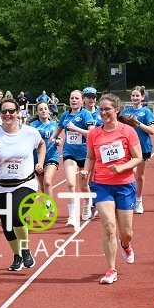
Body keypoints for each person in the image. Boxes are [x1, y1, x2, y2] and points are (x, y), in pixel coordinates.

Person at [81, 93, 142, 285]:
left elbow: (138, 157)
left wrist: (122, 167)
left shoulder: (127, 131)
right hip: (101, 184)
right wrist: (85, 171)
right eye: (101, 109)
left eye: (107, 109)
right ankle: (111, 269)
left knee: (127, 232)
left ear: (117, 110)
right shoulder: (93, 134)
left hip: (124, 185)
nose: (104, 112)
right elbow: (91, 157)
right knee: (108, 227)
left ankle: (125, 244)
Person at [0, 97, 45, 271]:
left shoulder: (30, 132)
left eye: (11, 111)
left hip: (25, 183)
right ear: (0, 114)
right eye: (4, 111)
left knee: (17, 216)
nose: (8, 114)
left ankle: (25, 249)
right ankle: (17, 256)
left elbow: (41, 145)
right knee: (7, 224)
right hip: (0, 185)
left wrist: (41, 161)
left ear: (18, 113)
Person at [55, 90, 95, 226]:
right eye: (71, 98)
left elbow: (92, 133)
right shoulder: (65, 115)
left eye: (76, 98)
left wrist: (75, 128)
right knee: (71, 184)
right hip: (69, 153)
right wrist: (53, 137)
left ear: (82, 100)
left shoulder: (86, 114)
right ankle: (72, 216)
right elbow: (59, 127)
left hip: (85, 155)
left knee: (84, 186)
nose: (73, 100)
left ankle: (87, 202)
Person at [120, 86, 154, 214]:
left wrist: (137, 123)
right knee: (126, 173)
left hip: (143, 147)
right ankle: (126, 199)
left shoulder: (146, 112)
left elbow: (152, 131)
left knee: (139, 175)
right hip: (126, 147)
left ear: (142, 97)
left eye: (137, 96)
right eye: (133, 95)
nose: (135, 98)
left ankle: (138, 200)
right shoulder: (125, 112)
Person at [28, 101, 60, 215]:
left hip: (52, 155)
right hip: (37, 158)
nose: (43, 111)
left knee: (47, 181)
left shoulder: (54, 124)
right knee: (42, 185)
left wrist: (57, 141)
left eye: (45, 109)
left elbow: (58, 138)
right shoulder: (32, 126)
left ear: (49, 111)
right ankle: (48, 202)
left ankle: (47, 205)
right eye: (40, 109)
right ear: (37, 112)